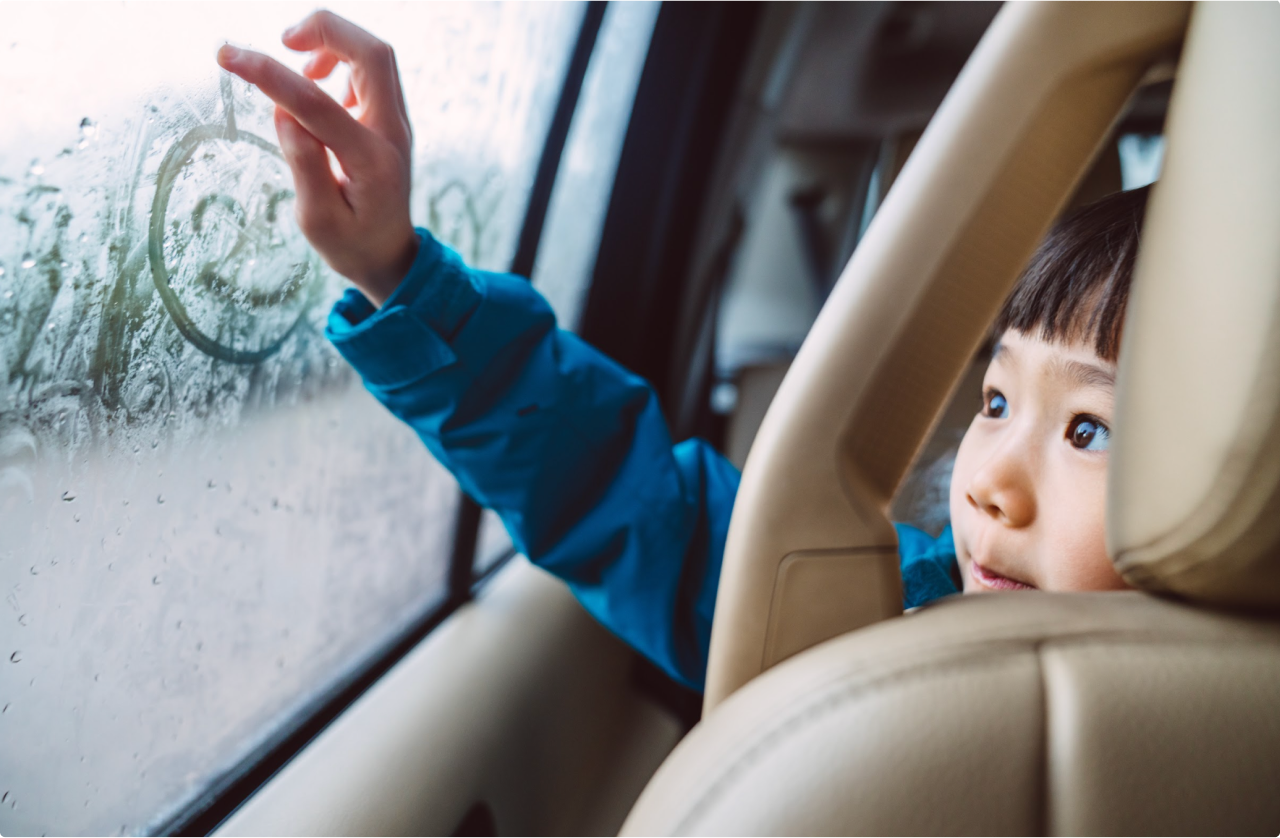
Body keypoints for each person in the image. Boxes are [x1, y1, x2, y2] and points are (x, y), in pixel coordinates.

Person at [217, 11, 1141, 691]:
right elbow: (621, 489)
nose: (987, 486)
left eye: (1090, 431)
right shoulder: (882, 609)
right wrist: (398, 275)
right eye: (995, 402)